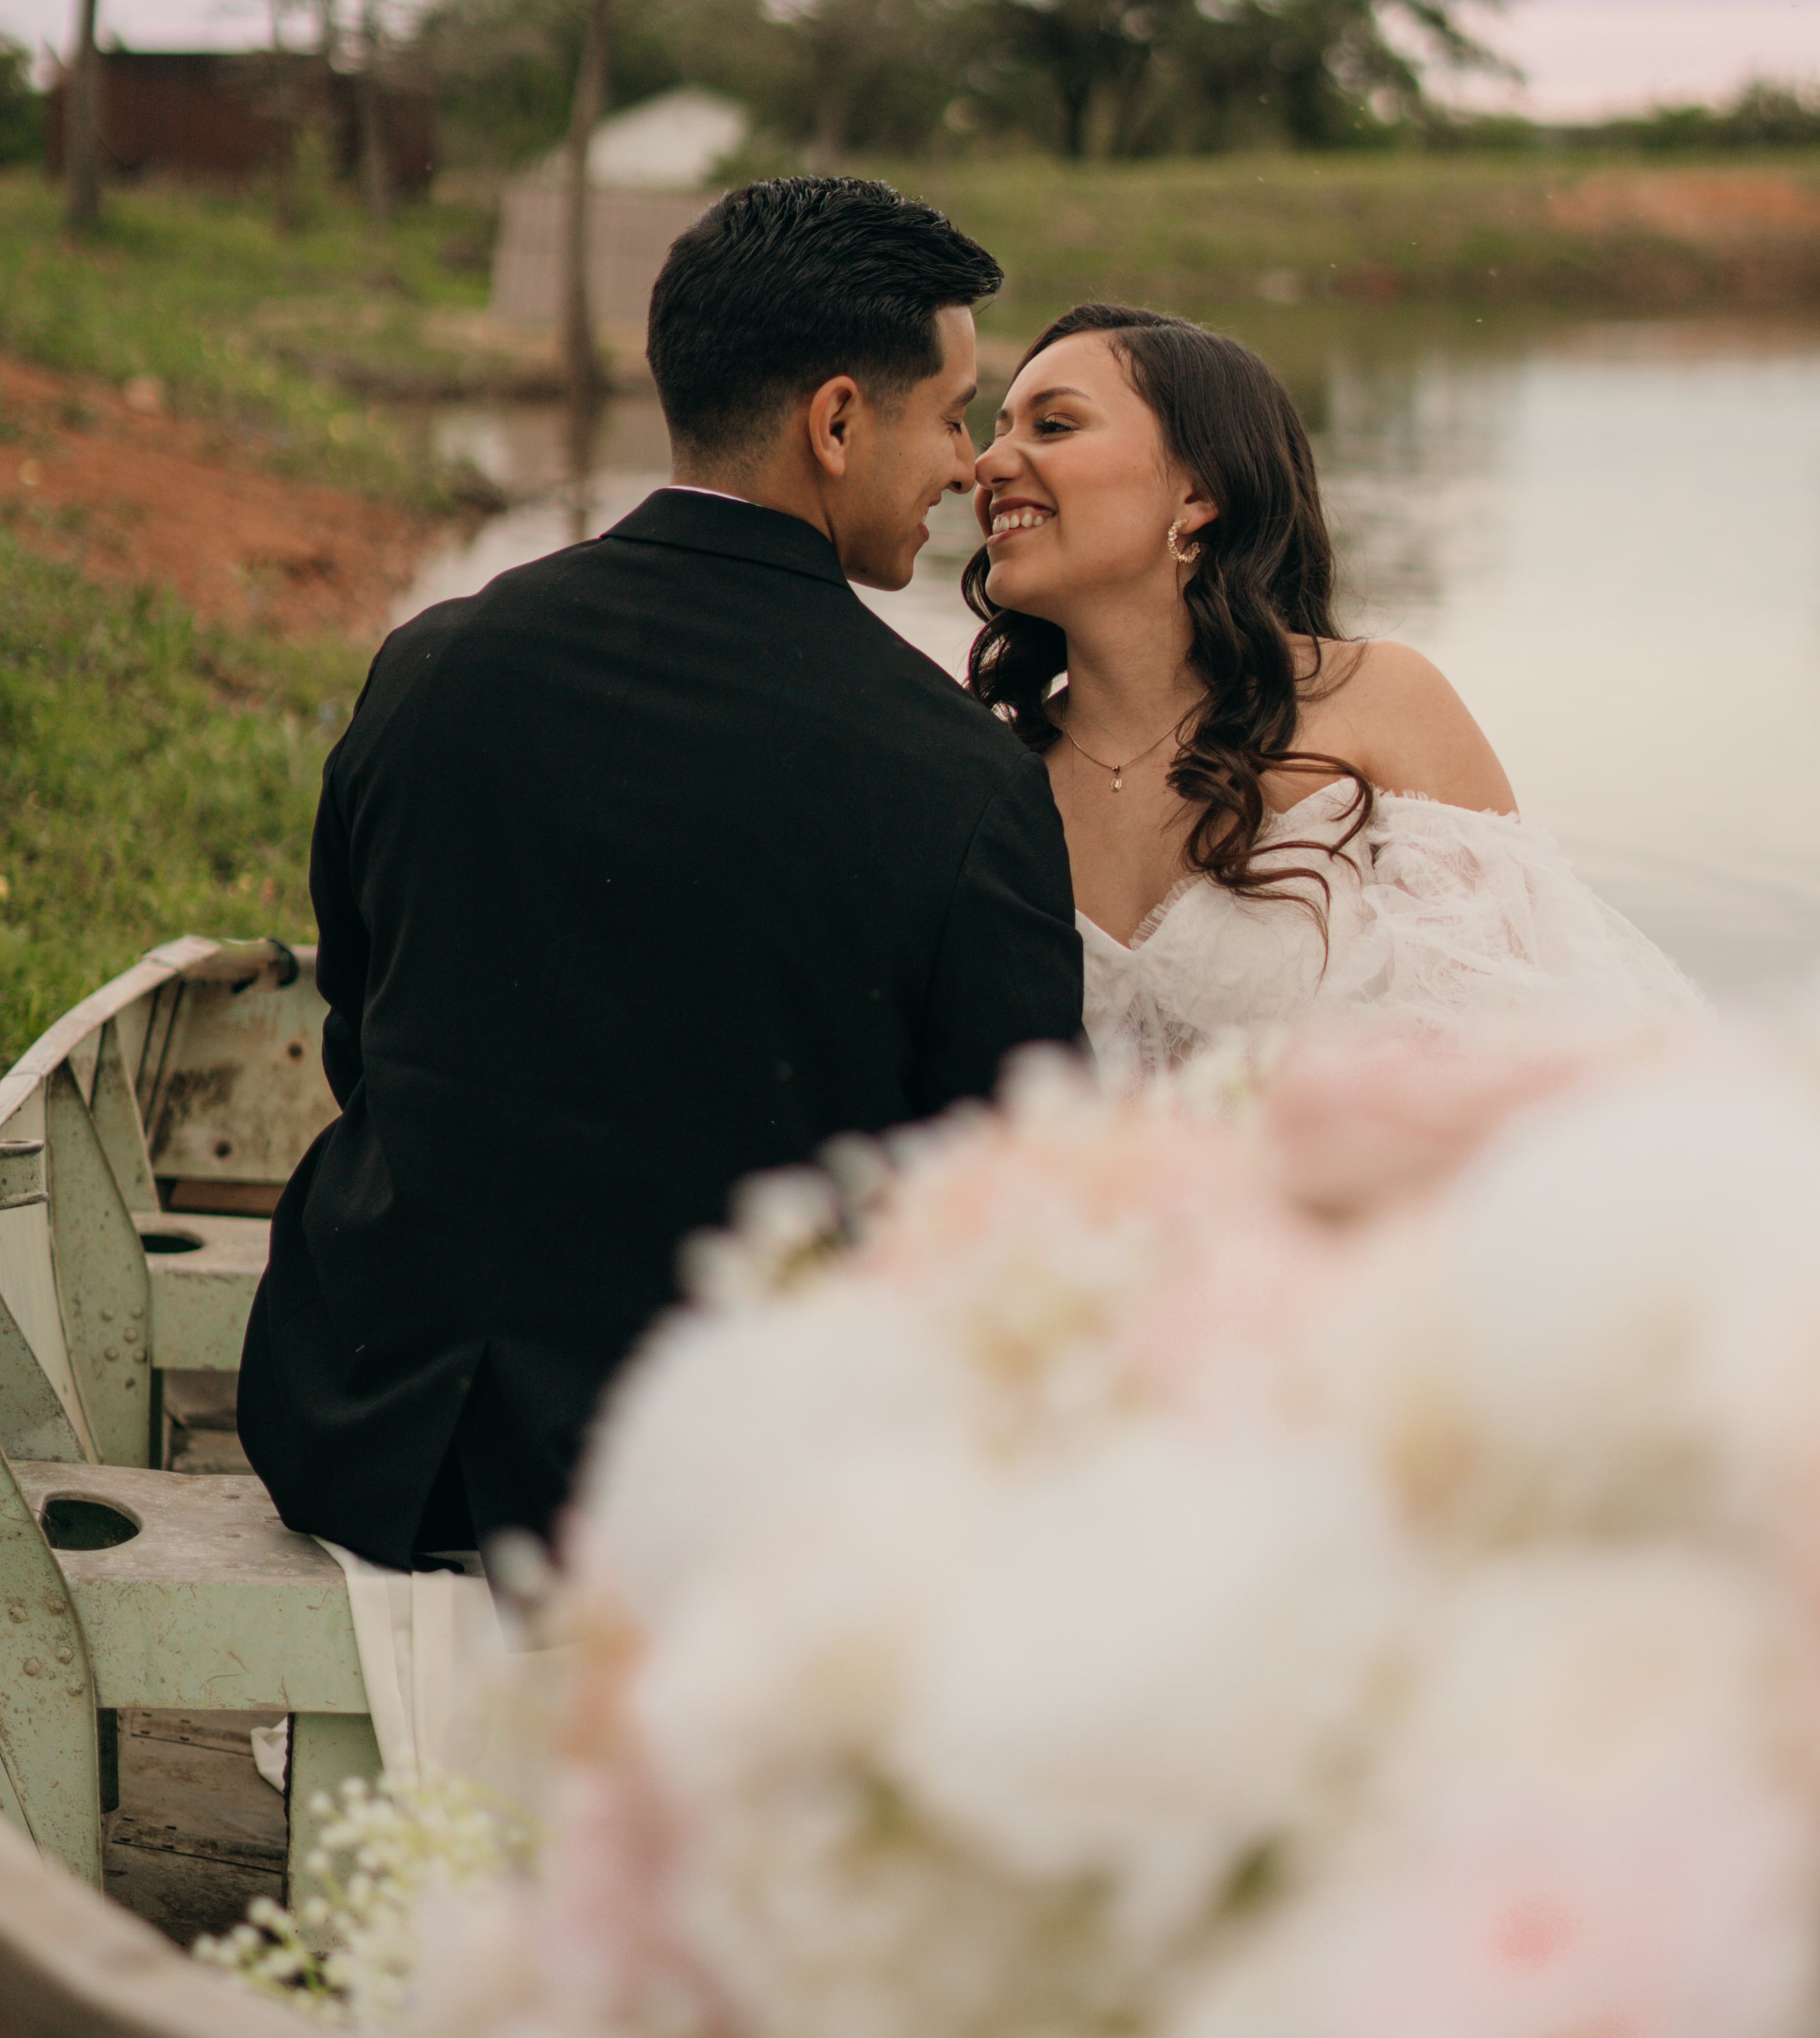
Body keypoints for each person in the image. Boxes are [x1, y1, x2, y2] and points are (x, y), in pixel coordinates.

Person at [239, 177, 1084, 1565]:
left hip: (371, 1434)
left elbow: (365, 1031)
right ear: (835, 421)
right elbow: (1002, 1204)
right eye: (947, 417)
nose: (962, 467)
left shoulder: (435, 664)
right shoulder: (962, 777)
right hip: (712, 1497)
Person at [965, 300, 1696, 1069]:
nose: (988, 462)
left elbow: (1524, 1044)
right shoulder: (992, 776)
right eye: (996, 428)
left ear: (1197, 492)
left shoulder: (1380, 703)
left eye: (1053, 426)